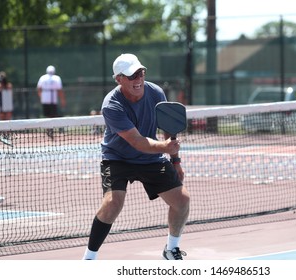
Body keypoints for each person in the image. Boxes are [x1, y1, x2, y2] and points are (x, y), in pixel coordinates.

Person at [82, 53, 190, 260]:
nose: (138, 79)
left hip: (150, 158)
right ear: (119, 79)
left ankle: (171, 249)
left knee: (182, 200)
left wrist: (175, 161)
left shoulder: (156, 93)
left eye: (140, 73)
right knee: (113, 202)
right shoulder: (112, 105)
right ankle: (89, 259)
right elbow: (137, 141)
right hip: (117, 158)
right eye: (132, 76)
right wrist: (166, 148)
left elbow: (167, 126)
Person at [37, 65, 66, 138]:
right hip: (52, 100)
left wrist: (41, 97)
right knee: (52, 115)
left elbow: (39, 89)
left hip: (46, 100)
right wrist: (62, 100)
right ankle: (50, 129)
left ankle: (49, 129)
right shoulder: (56, 78)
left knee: (48, 115)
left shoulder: (43, 78)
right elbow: (60, 91)